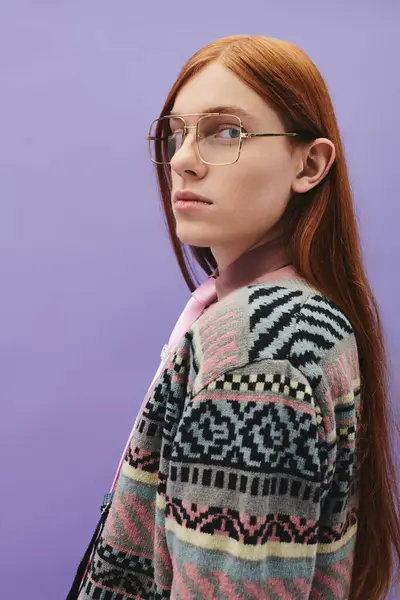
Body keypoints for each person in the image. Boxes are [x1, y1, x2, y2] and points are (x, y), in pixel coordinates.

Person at [71, 35, 400, 600]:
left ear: (310, 164)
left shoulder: (258, 352)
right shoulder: (288, 318)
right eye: (177, 133)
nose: (181, 161)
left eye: (226, 131)